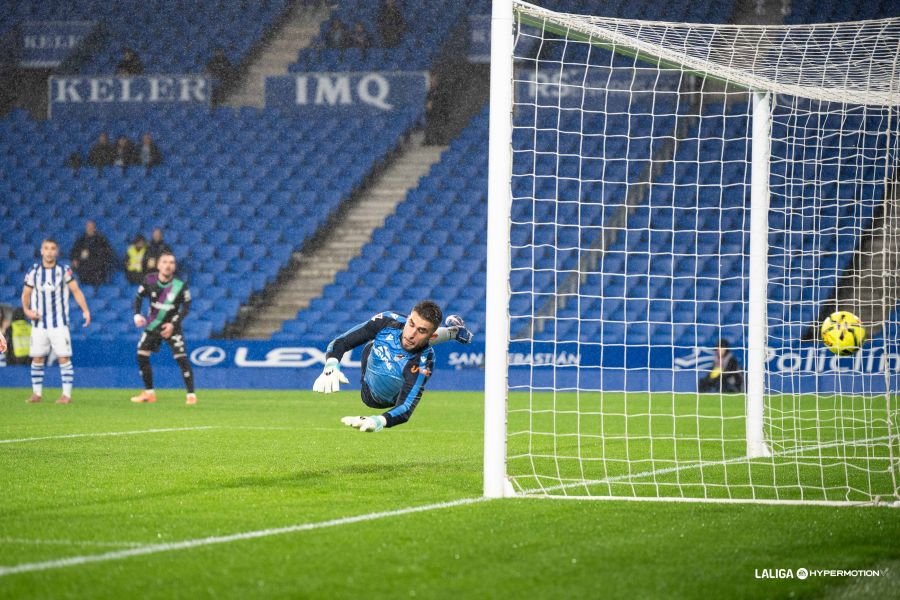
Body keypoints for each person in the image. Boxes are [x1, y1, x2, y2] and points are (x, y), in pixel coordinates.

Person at [313, 303, 472, 432]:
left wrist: (378, 421)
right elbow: (340, 342)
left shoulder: (423, 361)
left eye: (421, 330)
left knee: (419, 344)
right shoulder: (389, 320)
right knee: (395, 340)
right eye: (411, 324)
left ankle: (453, 332)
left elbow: (406, 407)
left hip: (382, 400)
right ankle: (454, 332)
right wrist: (331, 365)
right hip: (369, 361)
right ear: (408, 318)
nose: (411, 334)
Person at [21, 238, 91, 404]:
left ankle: (66, 395)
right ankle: (37, 393)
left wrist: (86, 310)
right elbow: (26, 294)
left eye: (53, 248)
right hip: (39, 324)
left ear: (57, 252)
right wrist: (27, 310)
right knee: (37, 358)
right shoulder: (34, 271)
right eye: (46, 248)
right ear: (41, 251)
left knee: (63, 358)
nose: (49, 251)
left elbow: (76, 291)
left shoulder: (64, 270)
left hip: (59, 324)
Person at [130, 252, 197, 405]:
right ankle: (149, 394)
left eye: (171, 262)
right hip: (154, 324)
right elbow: (139, 297)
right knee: (141, 355)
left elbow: (186, 307)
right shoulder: (149, 279)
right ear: (158, 265)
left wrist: (173, 324)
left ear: (174, 266)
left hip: (172, 326)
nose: (168, 265)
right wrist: (137, 314)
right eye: (165, 262)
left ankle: (191, 395)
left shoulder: (180, 285)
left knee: (181, 358)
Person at [70, 220, 114, 287]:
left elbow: (108, 253)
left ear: (94, 228)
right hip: (83, 266)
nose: (90, 228)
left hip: (98, 266)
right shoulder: (81, 240)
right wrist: (75, 259)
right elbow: (74, 252)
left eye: (91, 227)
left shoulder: (101, 239)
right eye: (88, 227)